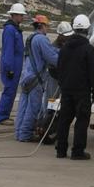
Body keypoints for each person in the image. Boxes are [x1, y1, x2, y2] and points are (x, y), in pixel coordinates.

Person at [55, 13, 94, 160]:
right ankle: (77, 151)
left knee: (64, 120)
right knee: (82, 121)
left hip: (66, 89)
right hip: (82, 91)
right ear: (87, 30)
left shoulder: (65, 48)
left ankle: (60, 150)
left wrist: (62, 84)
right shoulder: (88, 49)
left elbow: (59, 68)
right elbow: (93, 73)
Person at [14, 14, 59, 142]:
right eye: (46, 26)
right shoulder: (41, 39)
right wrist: (65, 57)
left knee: (23, 107)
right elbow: (51, 57)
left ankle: (19, 132)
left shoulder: (30, 38)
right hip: (36, 78)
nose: (47, 29)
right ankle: (26, 134)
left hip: (26, 77)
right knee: (33, 108)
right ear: (41, 25)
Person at [0, 2, 27, 124]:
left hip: (15, 66)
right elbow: (8, 50)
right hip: (11, 66)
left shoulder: (15, 29)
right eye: (21, 15)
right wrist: (9, 68)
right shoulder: (10, 30)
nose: (23, 18)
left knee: (11, 92)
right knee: (9, 91)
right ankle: (1, 116)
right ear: (14, 15)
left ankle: (4, 115)